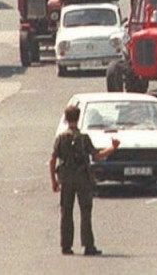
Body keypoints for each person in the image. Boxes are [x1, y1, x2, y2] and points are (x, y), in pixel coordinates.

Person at [50, 104, 119, 256]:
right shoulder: (83, 138)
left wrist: (54, 181)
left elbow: (52, 160)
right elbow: (97, 156)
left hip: (66, 178)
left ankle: (66, 246)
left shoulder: (61, 138)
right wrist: (112, 147)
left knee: (66, 211)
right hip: (82, 178)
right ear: (78, 118)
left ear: (66, 119)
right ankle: (88, 245)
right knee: (85, 211)